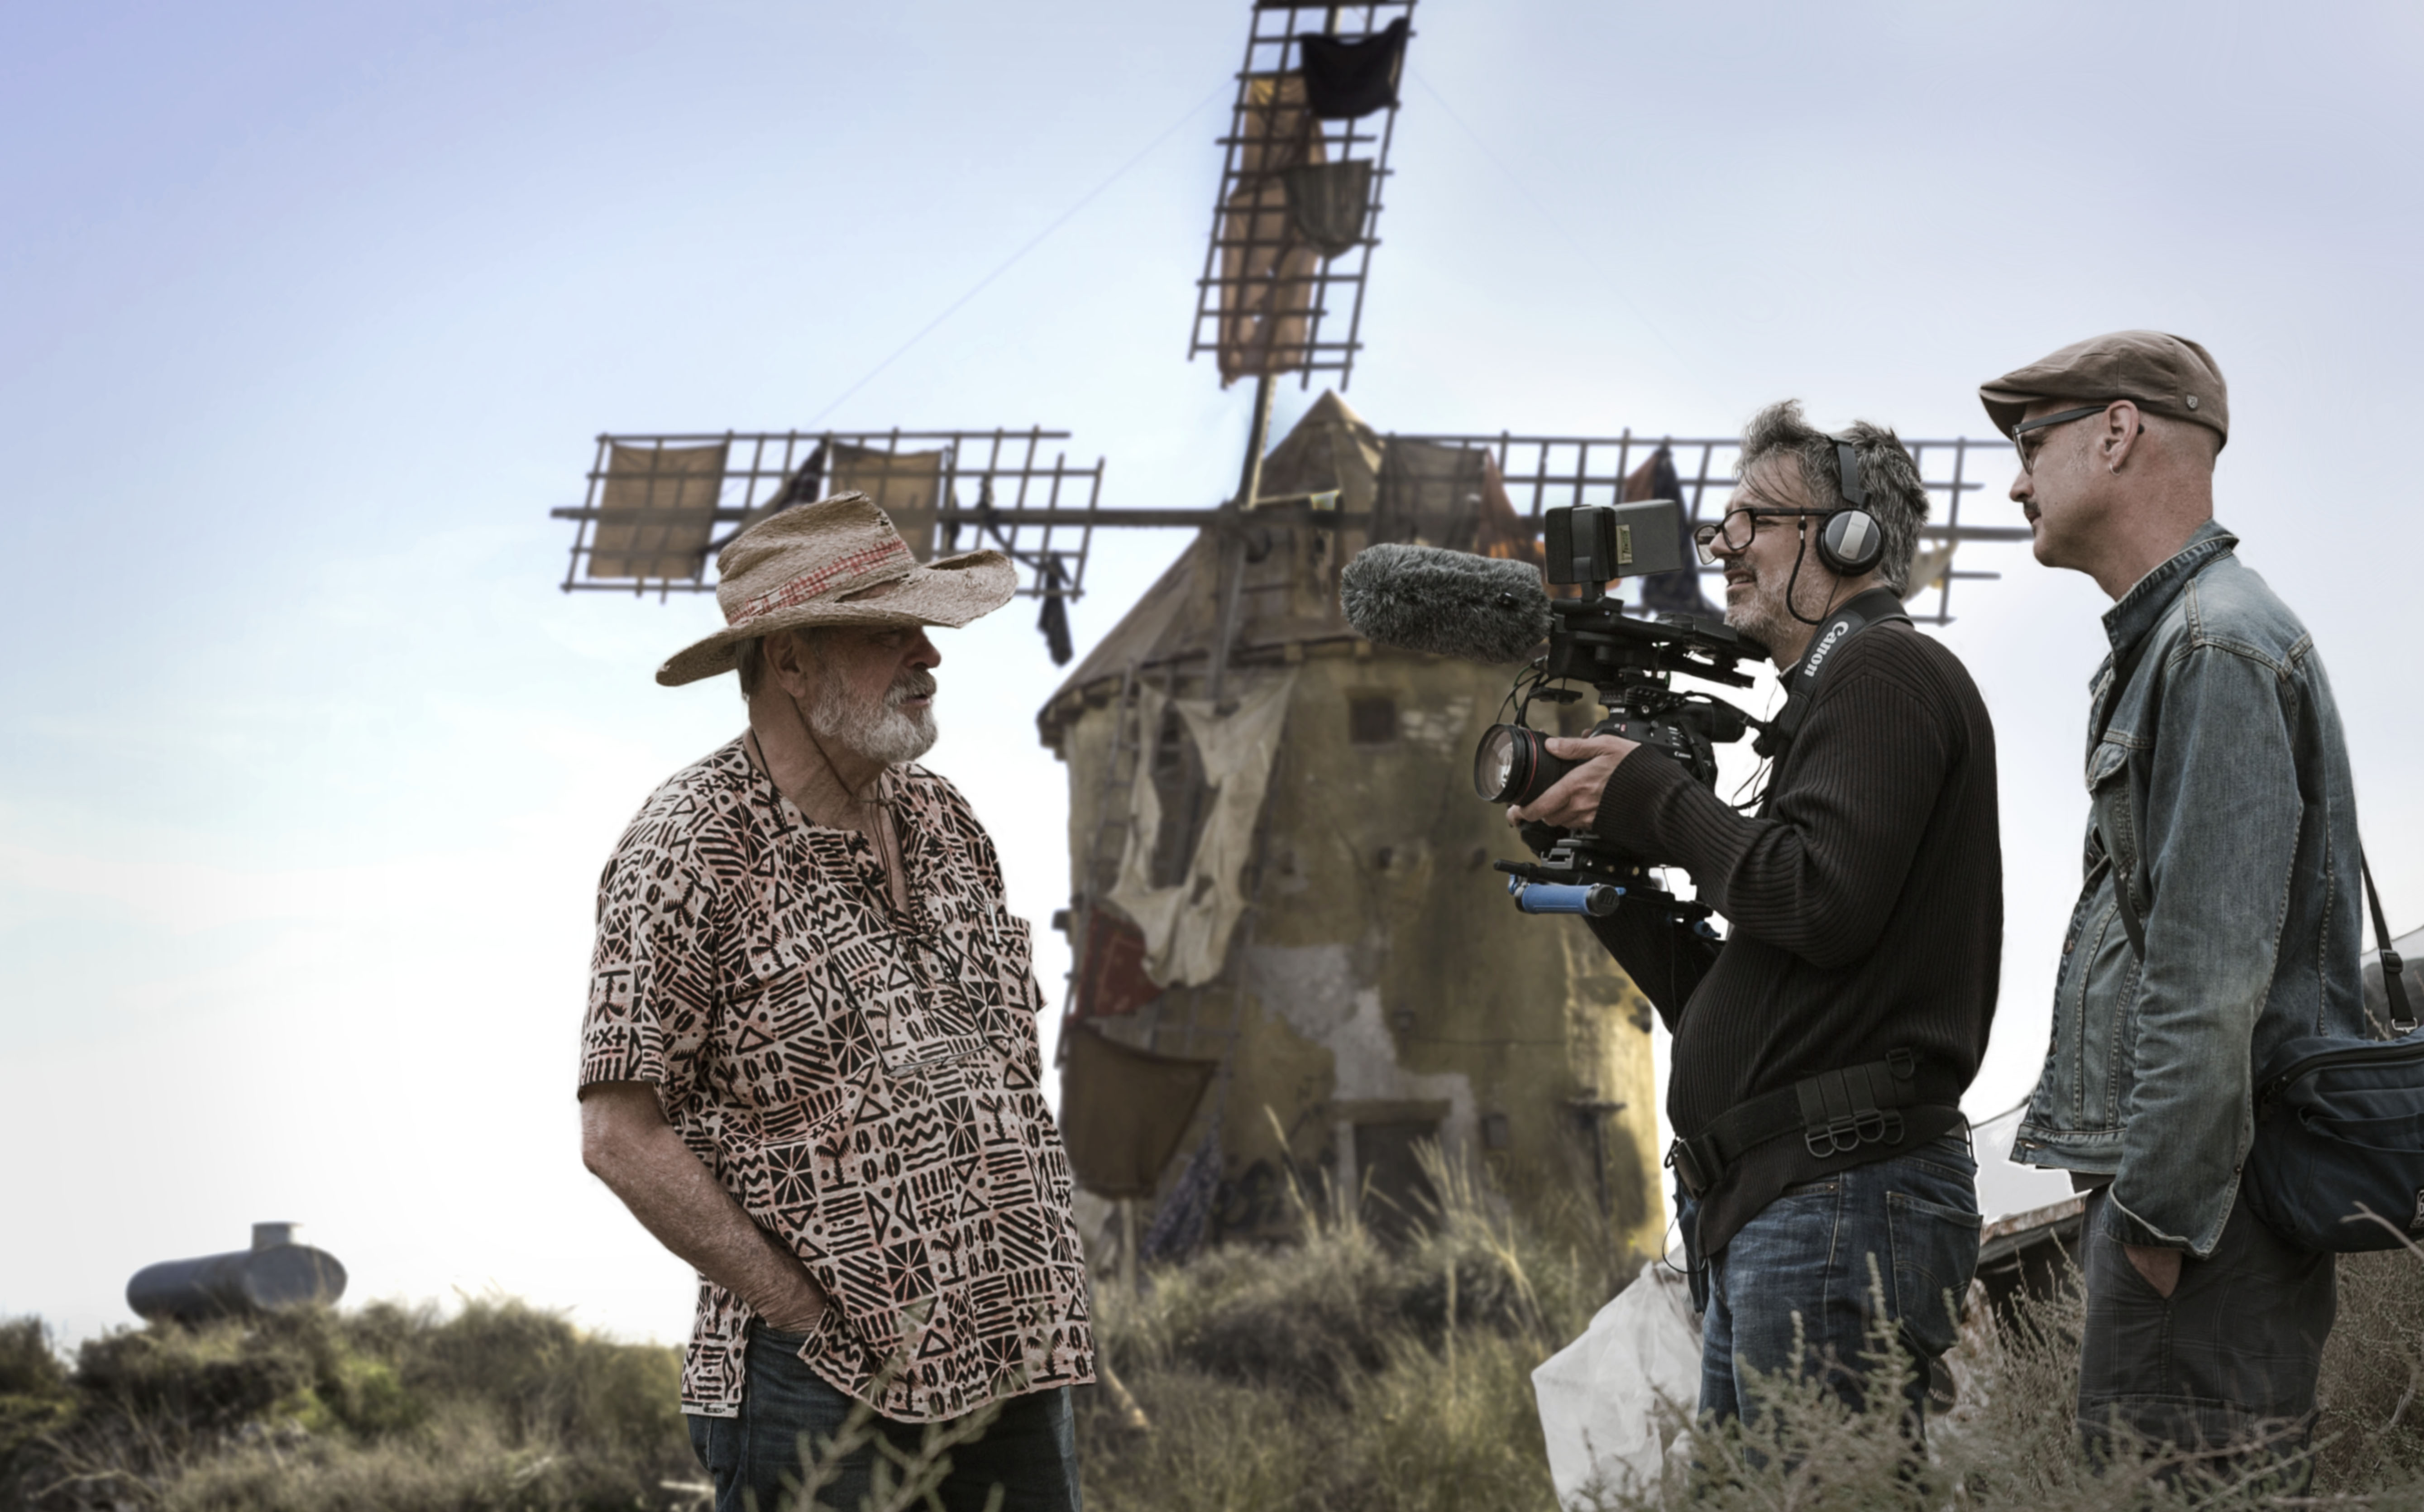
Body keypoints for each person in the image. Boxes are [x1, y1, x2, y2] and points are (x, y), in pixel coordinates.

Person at [578, 493, 1093, 1512]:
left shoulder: (947, 821)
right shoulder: (690, 845)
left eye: (922, 628)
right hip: (820, 1380)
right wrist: (798, 1313)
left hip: (1018, 1345)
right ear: (790, 661)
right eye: (885, 632)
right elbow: (619, 1134)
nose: (928, 655)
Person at [1510, 401, 2002, 1430]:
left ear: (1846, 538)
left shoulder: (1885, 670)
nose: (1723, 546)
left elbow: (1816, 902)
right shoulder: (1833, 703)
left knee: (1814, 1493)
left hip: (1836, 1196)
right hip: (1788, 1201)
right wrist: (1596, 867)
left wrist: (1657, 799)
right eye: (1722, 524)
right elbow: (1755, 993)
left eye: (1753, 522)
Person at [1981, 331, 2361, 1473]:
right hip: (2200, 1206)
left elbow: (2208, 976)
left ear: (2115, 431)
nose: (2013, 483)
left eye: (2027, 444)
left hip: (2200, 1219)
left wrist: (2149, 1223)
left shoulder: (2210, 644)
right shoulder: (2176, 641)